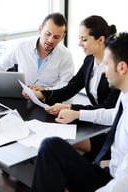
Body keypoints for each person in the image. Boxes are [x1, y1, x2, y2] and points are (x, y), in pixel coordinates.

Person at [31, 32, 128, 192]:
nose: (104, 71)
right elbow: (113, 115)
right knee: (51, 146)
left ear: (122, 67)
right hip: (111, 175)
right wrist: (77, 113)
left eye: (106, 65)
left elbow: (127, 183)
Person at [24, 15, 120, 159]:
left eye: (84, 39)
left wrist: (72, 109)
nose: (79, 44)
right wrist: (43, 94)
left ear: (100, 40)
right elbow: (71, 87)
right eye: (80, 38)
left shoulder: (115, 67)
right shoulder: (90, 60)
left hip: (112, 129)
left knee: (58, 141)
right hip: (94, 121)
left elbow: (109, 108)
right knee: (54, 133)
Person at [0, 12, 75, 90]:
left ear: (62, 37)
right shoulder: (20, 46)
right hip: (23, 98)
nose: (50, 40)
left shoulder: (66, 55)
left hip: (49, 100)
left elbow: (66, 85)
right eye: (48, 34)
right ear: (40, 30)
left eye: (56, 37)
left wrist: (45, 90)